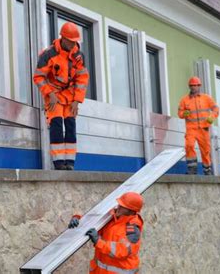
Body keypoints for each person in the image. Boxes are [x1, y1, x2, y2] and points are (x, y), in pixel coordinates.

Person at [33, 22, 89, 170]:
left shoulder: (78, 55)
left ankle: (70, 162)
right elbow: (38, 77)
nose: (73, 44)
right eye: (71, 41)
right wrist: (49, 94)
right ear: (63, 38)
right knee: (56, 125)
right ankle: (58, 163)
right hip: (53, 94)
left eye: (75, 41)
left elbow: (82, 79)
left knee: (70, 125)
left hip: (70, 95)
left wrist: (77, 100)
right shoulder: (48, 54)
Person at [69, 192, 144, 273]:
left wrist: (98, 241)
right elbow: (93, 221)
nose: (118, 207)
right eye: (119, 204)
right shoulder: (112, 218)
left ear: (131, 211)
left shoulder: (132, 230)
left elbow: (122, 251)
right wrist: (77, 219)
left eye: (122, 206)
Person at [178, 76, 219, 175]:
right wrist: (184, 114)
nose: (193, 87)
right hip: (191, 129)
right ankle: (192, 169)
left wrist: (212, 117)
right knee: (189, 145)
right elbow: (180, 113)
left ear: (199, 86)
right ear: (189, 86)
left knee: (205, 151)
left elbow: (216, 109)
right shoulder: (184, 100)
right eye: (192, 85)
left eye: (195, 85)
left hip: (203, 129)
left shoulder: (206, 98)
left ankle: (207, 170)